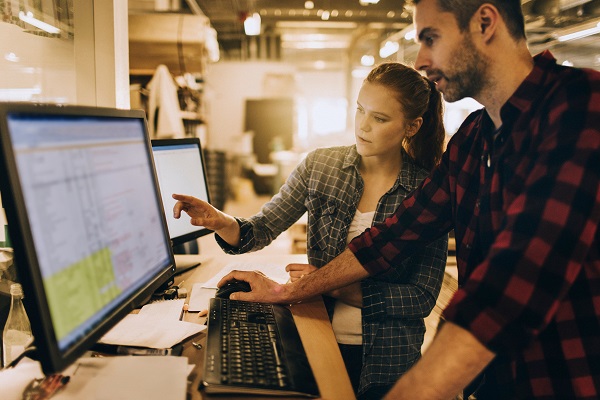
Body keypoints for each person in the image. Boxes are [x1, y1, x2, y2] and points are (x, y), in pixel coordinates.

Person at [213, 0, 600, 398]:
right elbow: (391, 237)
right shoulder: (473, 139)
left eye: (431, 38)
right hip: (492, 383)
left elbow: (513, 283)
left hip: (564, 381)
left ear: (485, 22)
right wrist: (287, 292)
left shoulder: (580, 106)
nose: (422, 60)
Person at [173, 62, 449, 398]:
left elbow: (421, 298)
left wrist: (327, 285)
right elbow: (257, 230)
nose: (362, 126)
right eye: (360, 110)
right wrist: (221, 221)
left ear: (412, 126)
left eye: (379, 118)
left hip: (387, 360)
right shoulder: (320, 166)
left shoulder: (429, 191)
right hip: (316, 332)